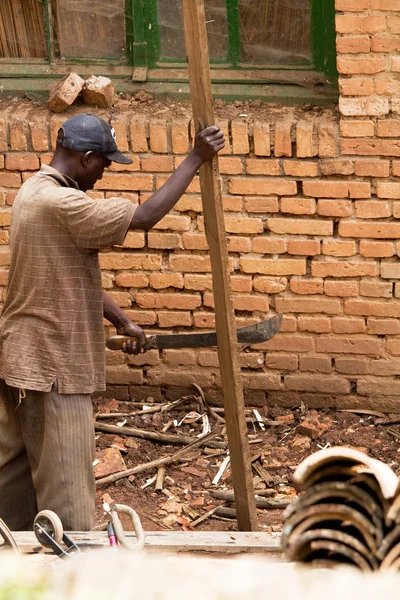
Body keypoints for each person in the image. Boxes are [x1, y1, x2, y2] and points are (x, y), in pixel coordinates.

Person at [0, 113, 225, 531]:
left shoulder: (33, 190)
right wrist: (195, 157)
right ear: (85, 158)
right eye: (105, 163)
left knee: (13, 496)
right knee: (68, 508)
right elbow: (143, 217)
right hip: (54, 369)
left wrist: (122, 321)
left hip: (19, 361)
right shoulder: (63, 204)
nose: (105, 173)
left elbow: (65, 270)